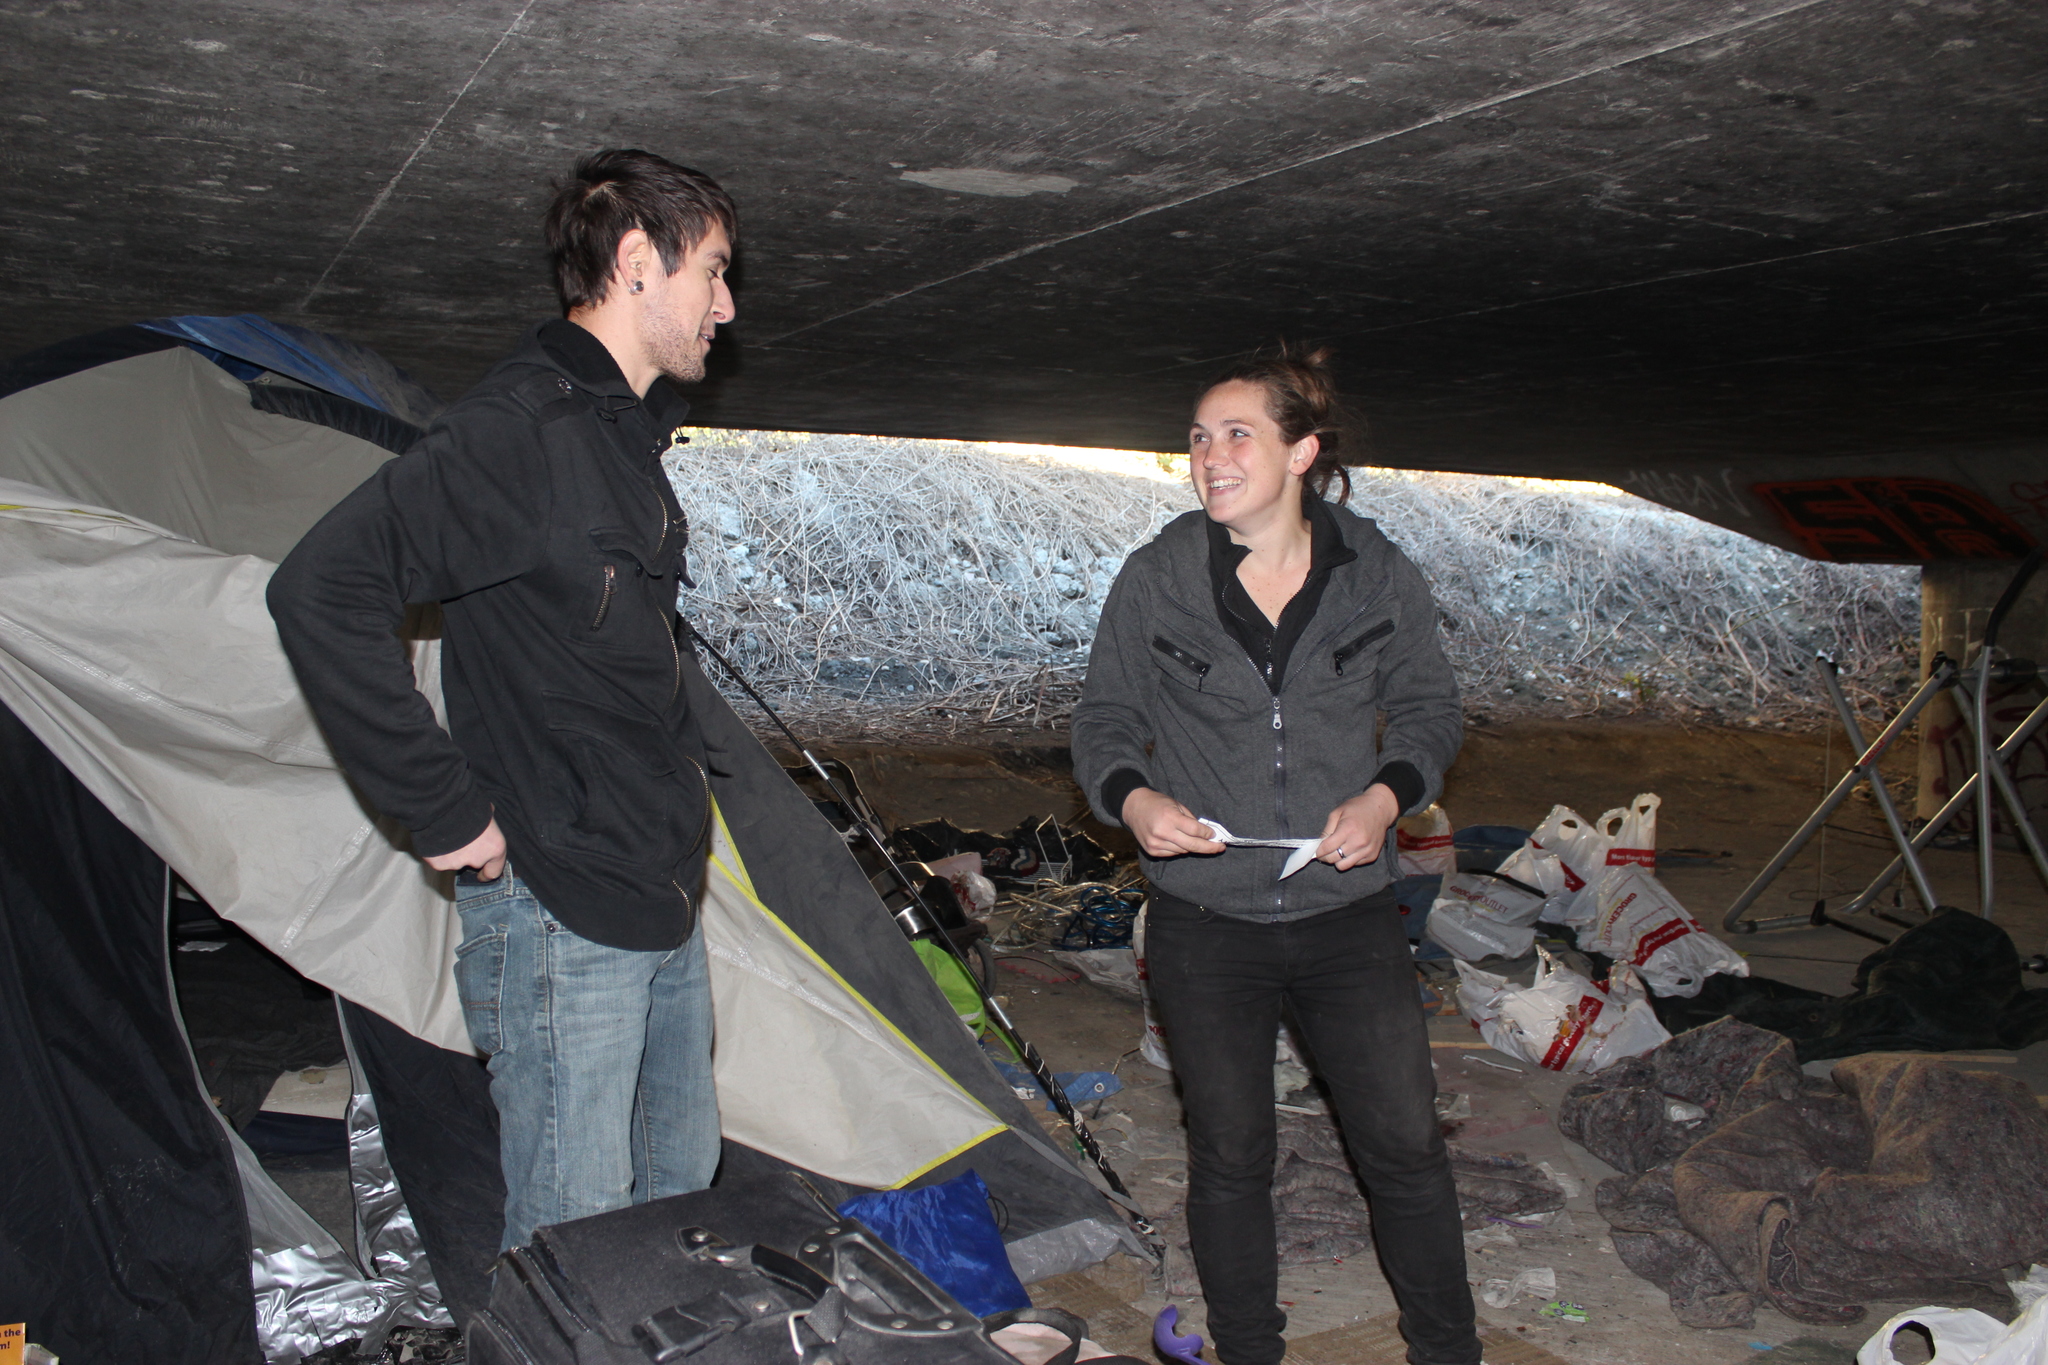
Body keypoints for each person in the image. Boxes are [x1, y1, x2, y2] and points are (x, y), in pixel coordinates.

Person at [267, 148, 737, 1250]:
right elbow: (320, 593)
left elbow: (617, 654)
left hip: (659, 890)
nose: (727, 302)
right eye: (713, 271)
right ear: (635, 263)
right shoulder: (514, 435)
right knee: (574, 1244)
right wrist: (442, 813)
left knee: (677, 1202)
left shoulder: (618, 436)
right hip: (560, 907)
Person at [1071, 348, 1480, 1365]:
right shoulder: (1159, 576)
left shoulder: (1374, 571)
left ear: (1300, 451)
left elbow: (1431, 709)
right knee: (1229, 1158)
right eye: (1197, 439)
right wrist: (1135, 799)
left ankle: (1448, 1353)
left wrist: (1385, 797)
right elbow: (1104, 719)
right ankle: (1249, 1351)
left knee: (1404, 1152)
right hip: (1206, 923)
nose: (1209, 457)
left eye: (1235, 434)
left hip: (1346, 917)